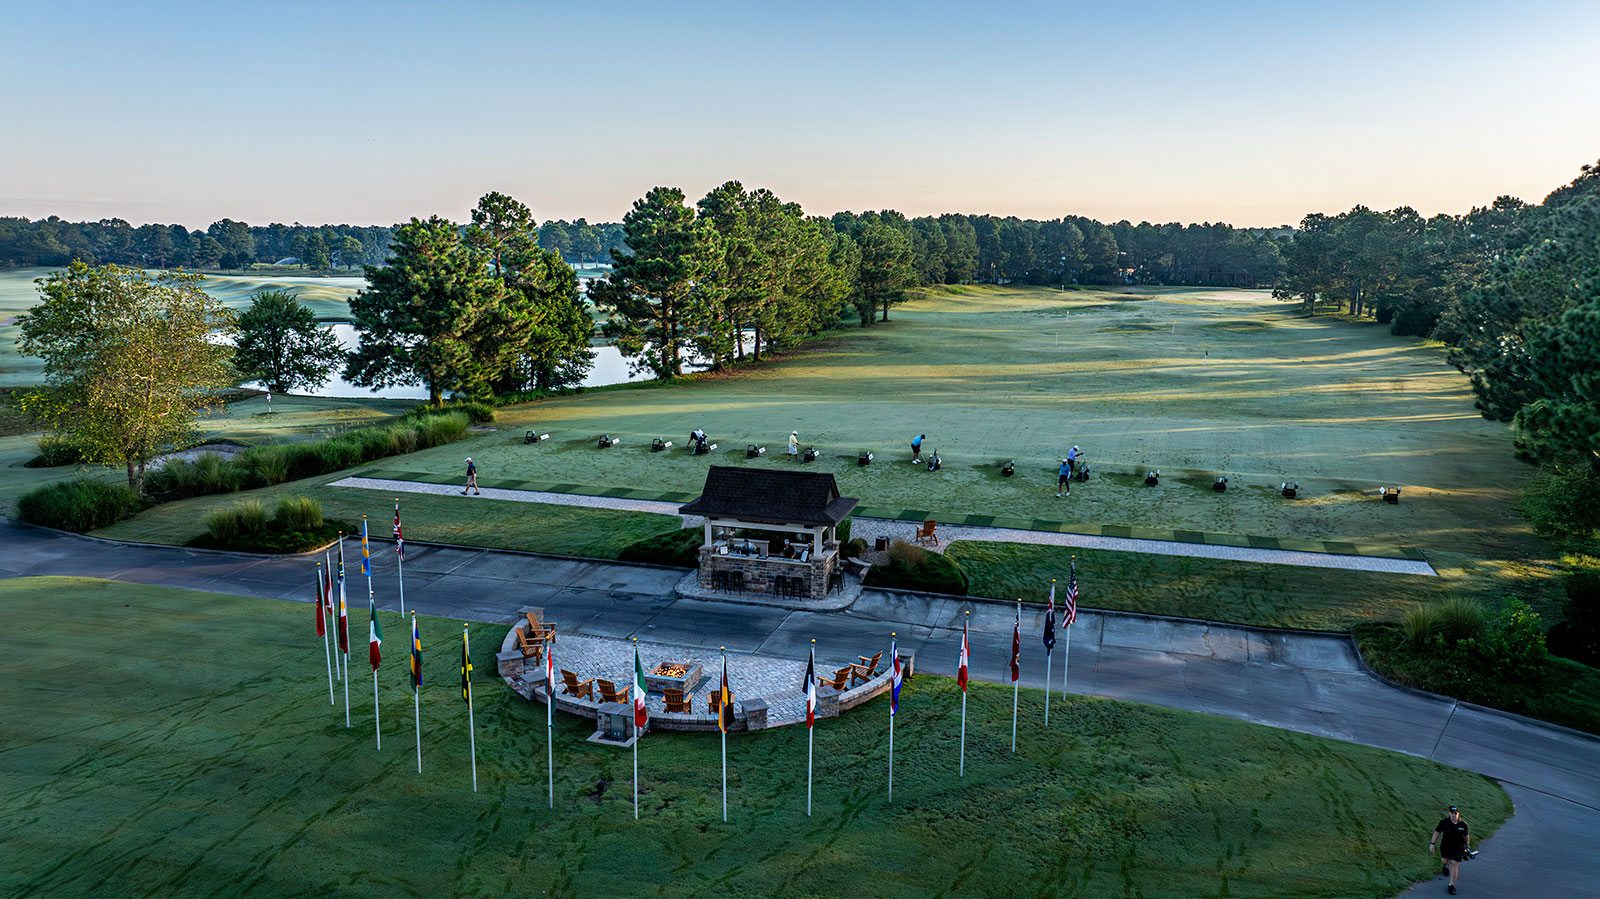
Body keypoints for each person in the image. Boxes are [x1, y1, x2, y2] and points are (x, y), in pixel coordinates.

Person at [1429, 805, 1471, 894]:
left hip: (1458, 847)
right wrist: (1432, 843)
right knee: (1445, 860)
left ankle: (1451, 885)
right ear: (1449, 813)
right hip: (1446, 846)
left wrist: (1467, 847)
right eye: (1452, 813)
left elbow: (1466, 836)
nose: (1453, 815)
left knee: (1454, 863)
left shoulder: (1463, 825)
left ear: (1458, 813)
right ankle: (1445, 865)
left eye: (1455, 813)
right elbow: (1437, 832)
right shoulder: (1444, 823)